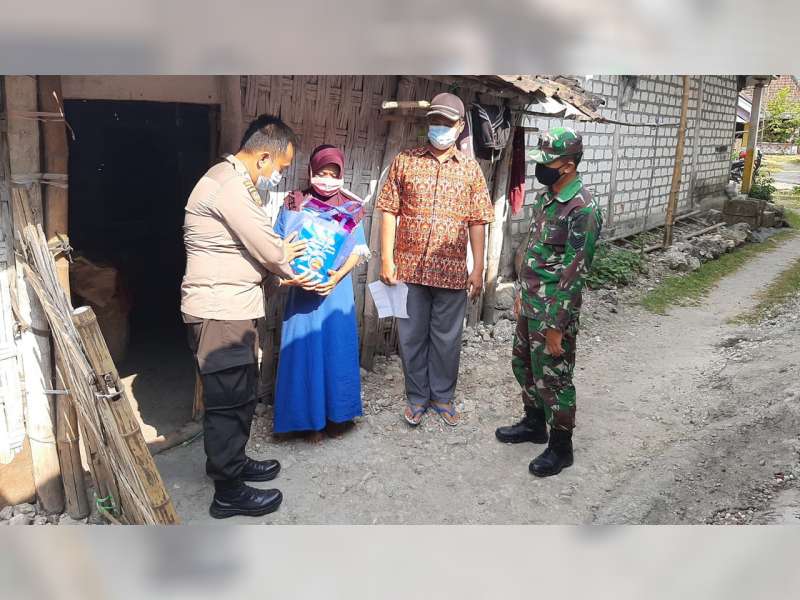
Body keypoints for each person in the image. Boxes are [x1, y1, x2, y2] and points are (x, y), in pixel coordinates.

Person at [181, 114, 312, 519]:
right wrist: (281, 254)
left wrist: (275, 258)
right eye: (281, 167)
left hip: (231, 308)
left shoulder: (228, 181)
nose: (279, 176)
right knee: (226, 402)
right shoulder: (229, 186)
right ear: (263, 157)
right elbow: (272, 251)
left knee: (236, 396)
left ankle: (231, 463)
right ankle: (228, 492)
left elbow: (260, 252)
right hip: (220, 314)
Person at [376, 92, 494, 427]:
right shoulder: (406, 161)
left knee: (447, 339)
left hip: (452, 271)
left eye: (446, 122)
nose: (439, 128)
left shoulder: (470, 170)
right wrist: (387, 260)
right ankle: (416, 398)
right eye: (434, 122)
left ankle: (442, 397)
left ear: (459, 128)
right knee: (411, 337)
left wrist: (479, 268)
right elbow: (388, 211)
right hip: (409, 271)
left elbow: (477, 221)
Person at [495, 127, 603, 477]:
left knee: (554, 377)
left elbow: (575, 273)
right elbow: (535, 249)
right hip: (531, 303)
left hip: (554, 310)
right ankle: (533, 423)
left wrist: (556, 326)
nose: (541, 167)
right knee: (523, 364)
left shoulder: (583, 208)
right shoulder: (547, 198)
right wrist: (521, 295)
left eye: (548, 161)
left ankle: (561, 446)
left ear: (568, 165)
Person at [272, 145, 370, 441]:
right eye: (322, 173)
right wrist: (290, 278)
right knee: (304, 353)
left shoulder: (350, 208)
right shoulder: (295, 204)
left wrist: (337, 276)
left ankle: (338, 417)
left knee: (335, 351)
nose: (327, 179)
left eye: (333, 174)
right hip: (302, 294)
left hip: (335, 293)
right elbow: (277, 247)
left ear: (341, 174)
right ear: (311, 172)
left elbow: (357, 250)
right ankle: (307, 422)